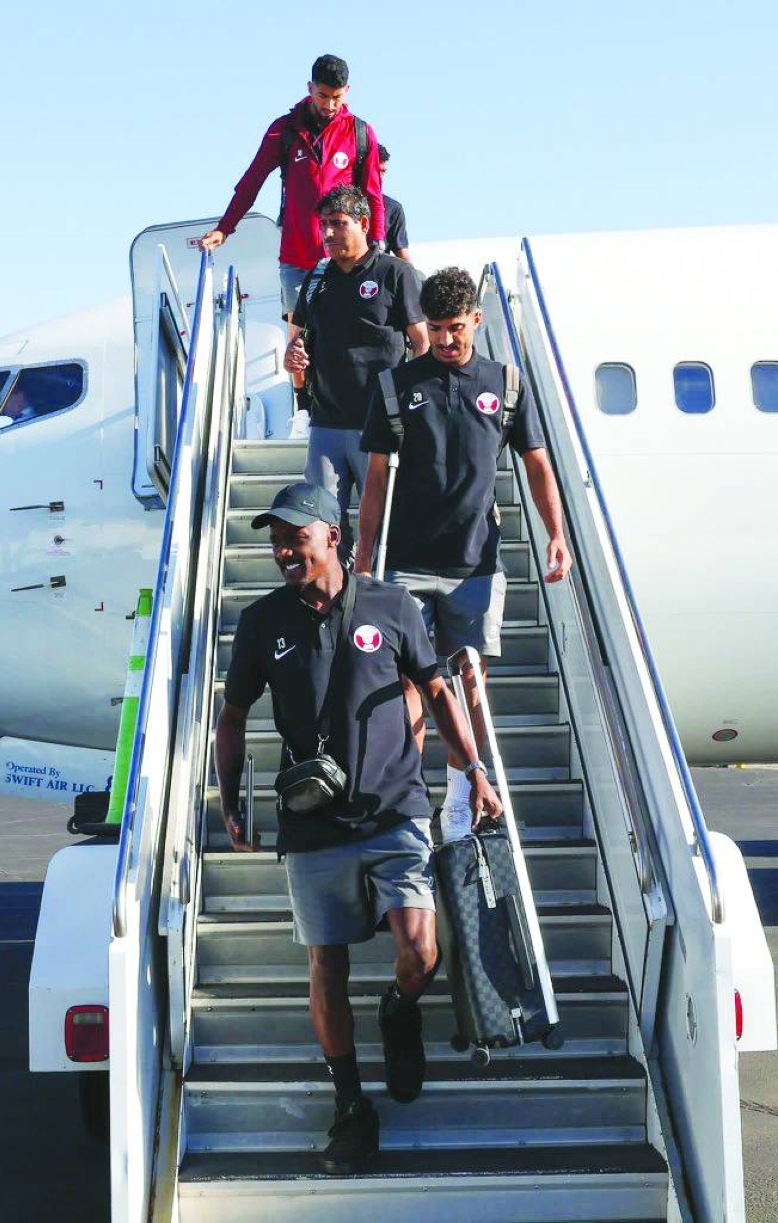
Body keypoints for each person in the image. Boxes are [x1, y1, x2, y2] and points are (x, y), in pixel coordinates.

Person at [215, 482, 502, 1174]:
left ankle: (399, 1010)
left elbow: (436, 690)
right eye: (276, 538)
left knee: (420, 950)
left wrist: (475, 770)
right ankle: (351, 1103)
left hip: (393, 810)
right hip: (311, 823)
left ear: (333, 537)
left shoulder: (390, 606)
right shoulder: (262, 623)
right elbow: (232, 714)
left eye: (297, 536)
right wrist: (232, 800)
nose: (284, 549)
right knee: (327, 965)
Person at [356, 267, 572, 839]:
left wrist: (556, 533)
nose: (448, 340)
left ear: (476, 319)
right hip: (406, 561)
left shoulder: (507, 383)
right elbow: (376, 477)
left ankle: (458, 799)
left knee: (470, 680)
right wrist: (363, 556)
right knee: (408, 686)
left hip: (475, 562)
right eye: (437, 329)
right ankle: (402, 804)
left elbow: (536, 462)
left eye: (457, 328)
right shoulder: (397, 386)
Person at [283, 186, 427, 561]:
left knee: (382, 522)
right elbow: (297, 342)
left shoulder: (395, 274)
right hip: (327, 423)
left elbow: (422, 344)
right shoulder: (316, 279)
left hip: (379, 424)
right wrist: (294, 361)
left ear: (363, 223)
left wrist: (415, 405)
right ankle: (334, 600)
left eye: (338, 223)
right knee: (319, 523)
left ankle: (381, 598)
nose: (328, 233)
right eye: (324, 224)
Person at [198, 54, 386, 321]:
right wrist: (224, 228)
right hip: (297, 259)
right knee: (300, 347)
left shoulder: (360, 133)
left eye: (337, 97)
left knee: (346, 338)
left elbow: (373, 195)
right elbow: (251, 182)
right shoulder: (284, 130)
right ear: (310, 88)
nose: (330, 105)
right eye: (322, 96)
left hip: (347, 259)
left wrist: (377, 242)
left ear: (347, 92)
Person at [377, 145, 412, 264]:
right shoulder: (341, 206)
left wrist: (416, 280)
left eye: (383, 172)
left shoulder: (393, 208)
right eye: (375, 171)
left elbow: (402, 255)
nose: (380, 178)